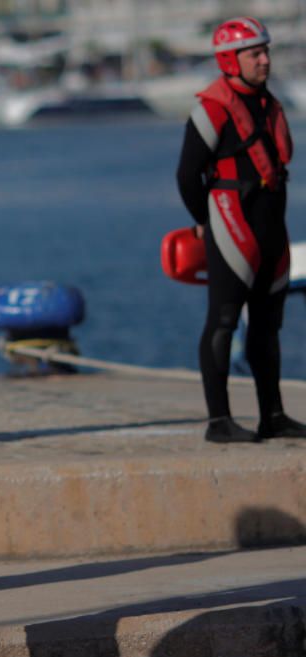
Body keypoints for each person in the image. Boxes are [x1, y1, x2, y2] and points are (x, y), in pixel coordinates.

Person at [176, 16, 306, 443]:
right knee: (224, 320)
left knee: (268, 325)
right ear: (231, 59)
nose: (265, 60)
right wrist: (204, 221)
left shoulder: (269, 103)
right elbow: (187, 174)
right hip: (232, 223)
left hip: (273, 225)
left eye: (266, 51)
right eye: (256, 53)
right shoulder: (212, 108)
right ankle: (219, 422)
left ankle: (273, 415)